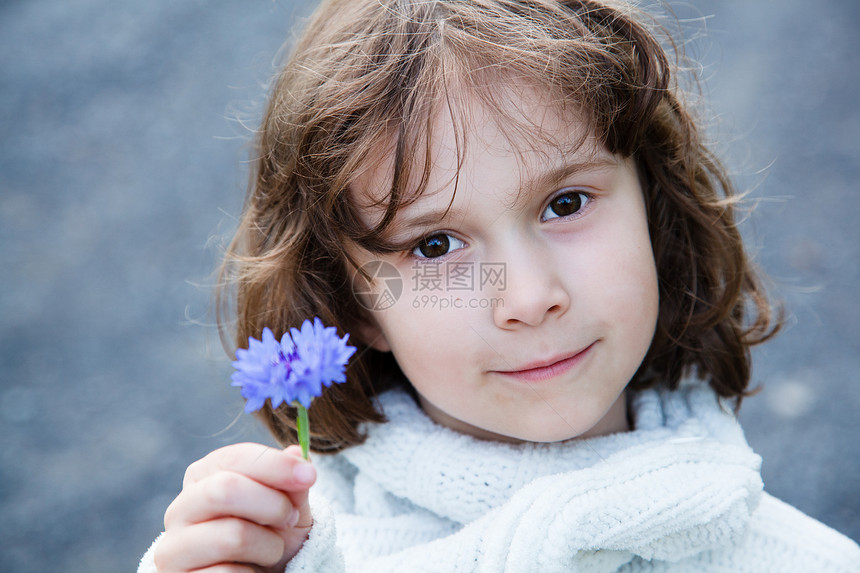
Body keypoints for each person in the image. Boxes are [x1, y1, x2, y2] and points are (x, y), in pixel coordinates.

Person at [140, 0, 860, 571]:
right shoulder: (281, 550)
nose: (527, 297)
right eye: (434, 244)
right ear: (352, 302)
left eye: (566, 203)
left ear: (654, 207)